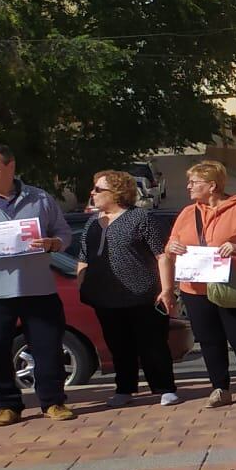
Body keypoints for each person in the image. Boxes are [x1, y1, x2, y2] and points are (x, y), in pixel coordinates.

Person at [165, 160, 236, 409]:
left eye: (194, 182)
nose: (189, 186)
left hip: (232, 286)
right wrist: (172, 247)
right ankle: (220, 388)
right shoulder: (187, 213)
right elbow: (171, 244)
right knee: (209, 339)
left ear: (212, 185)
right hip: (195, 288)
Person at [75, 170, 180, 408]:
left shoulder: (141, 218)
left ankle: (164, 387)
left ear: (117, 193)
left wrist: (167, 289)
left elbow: (162, 255)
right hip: (105, 297)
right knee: (118, 345)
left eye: (99, 190)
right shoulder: (93, 222)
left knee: (152, 344)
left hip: (143, 295)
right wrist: (82, 285)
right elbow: (83, 256)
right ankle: (124, 388)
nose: (93, 193)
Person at [0, 144, 73, 425]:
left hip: (39, 288)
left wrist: (53, 244)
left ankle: (53, 402)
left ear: (10, 166)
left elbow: (63, 233)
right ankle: (6, 405)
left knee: (48, 347)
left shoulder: (39, 198)